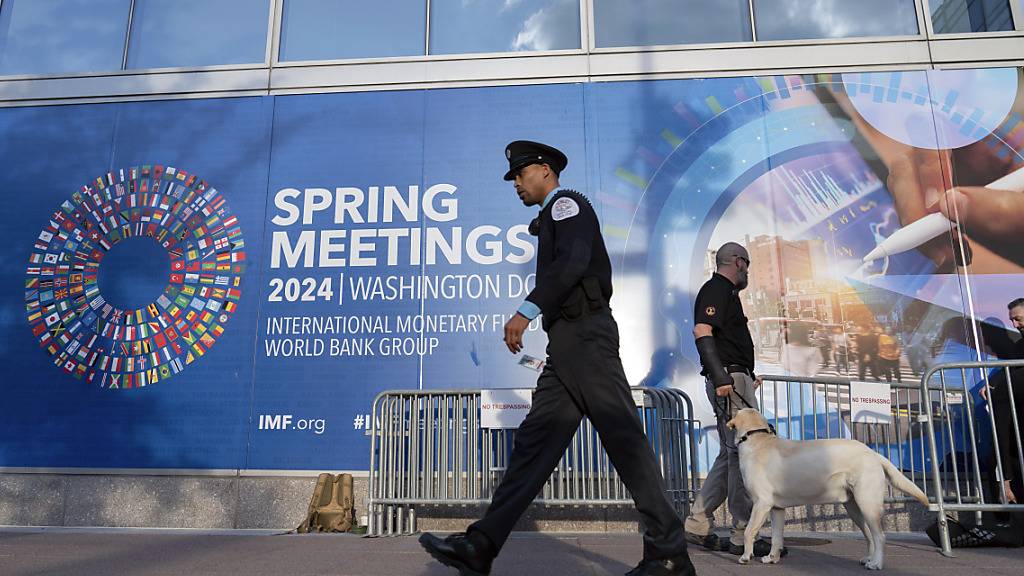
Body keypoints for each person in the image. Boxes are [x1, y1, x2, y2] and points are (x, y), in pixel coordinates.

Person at [419, 141, 695, 576]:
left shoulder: (566, 204)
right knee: (533, 447)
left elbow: (573, 263)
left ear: (544, 170)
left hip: (586, 337)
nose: (514, 183)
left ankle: (668, 555)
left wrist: (526, 310)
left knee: (624, 440)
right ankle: (481, 545)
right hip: (566, 345)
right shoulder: (549, 216)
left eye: (519, 173)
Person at [682, 242, 777, 557]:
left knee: (730, 454)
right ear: (738, 262)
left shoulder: (724, 293)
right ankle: (741, 533)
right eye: (746, 264)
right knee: (743, 455)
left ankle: (697, 523)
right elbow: (702, 330)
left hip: (734, 379)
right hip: (728, 381)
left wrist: (746, 374)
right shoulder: (717, 289)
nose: (747, 270)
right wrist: (723, 377)